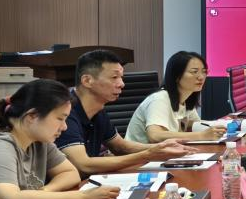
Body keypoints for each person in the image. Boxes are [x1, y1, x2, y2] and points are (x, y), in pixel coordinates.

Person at [0, 79, 121, 199]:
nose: (64, 127)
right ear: (32, 116)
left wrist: (44, 192)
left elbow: (70, 173)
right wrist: (83, 197)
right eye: (60, 119)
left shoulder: (39, 140)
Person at [55, 49, 195, 175]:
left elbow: (121, 147)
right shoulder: (65, 110)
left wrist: (161, 147)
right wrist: (148, 154)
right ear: (87, 80)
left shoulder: (98, 110)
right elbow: (83, 164)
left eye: (121, 77)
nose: (122, 84)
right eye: (114, 77)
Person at [125, 51, 225, 144]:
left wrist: (222, 125)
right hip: (141, 155)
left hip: (167, 153)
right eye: (194, 72)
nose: (201, 77)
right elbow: (155, 135)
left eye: (204, 71)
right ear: (177, 76)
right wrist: (201, 135)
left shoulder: (186, 98)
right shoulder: (160, 99)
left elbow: (194, 124)